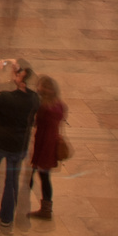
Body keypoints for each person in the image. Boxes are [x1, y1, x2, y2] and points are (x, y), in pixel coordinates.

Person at [0, 57, 40, 236]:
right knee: (11, 183)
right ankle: (6, 222)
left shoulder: (7, 98)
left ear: (21, 78)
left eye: (18, 72)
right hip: (20, 146)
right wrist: (18, 71)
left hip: (2, 144)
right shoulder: (34, 99)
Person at [27, 76, 67, 221]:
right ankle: (46, 209)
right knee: (44, 177)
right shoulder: (60, 105)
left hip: (43, 144)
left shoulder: (44, 107)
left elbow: (34, 122)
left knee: (30, 175)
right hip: (51, 144)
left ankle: (21, 205)